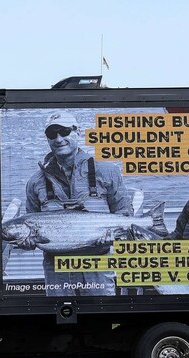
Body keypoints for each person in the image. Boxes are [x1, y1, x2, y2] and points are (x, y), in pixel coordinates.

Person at [21, 110, 132, 296]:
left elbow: (125, 214)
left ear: (77, 132)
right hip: (56, 272)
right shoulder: (35, 182)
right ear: (47, 139)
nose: (58, 139)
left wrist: (114, 236)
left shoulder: (108, 171)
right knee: (63, 324)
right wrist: (27, 242)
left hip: (98, 266)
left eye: (64, 131)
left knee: (99, 321)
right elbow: (29, 221)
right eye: (52, 134)